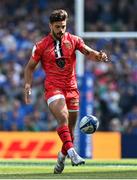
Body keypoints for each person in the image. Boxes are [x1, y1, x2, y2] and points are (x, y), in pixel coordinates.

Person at [24, 9, 108, 174]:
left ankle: (61, 158)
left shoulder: (74, 40)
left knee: (69, 131)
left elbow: (88, 52)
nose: (60, 30)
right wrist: (27, 85)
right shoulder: (41, 45)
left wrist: (98, 56)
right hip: (53, 88)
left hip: (72, 89)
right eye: (57, 27)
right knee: (62, 117)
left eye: (63, 26)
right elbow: (29, 67)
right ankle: (73, 153)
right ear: (50, 26)